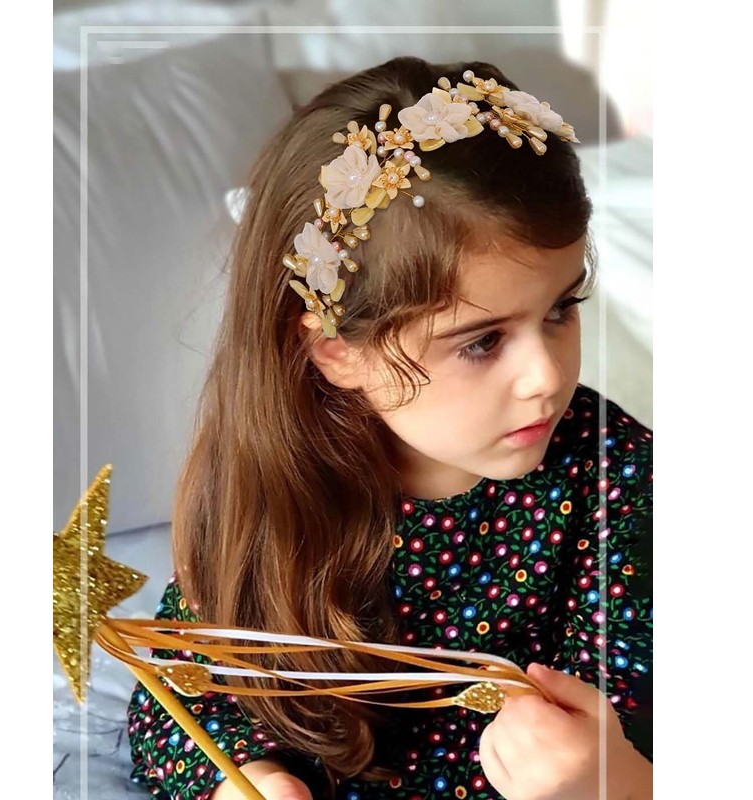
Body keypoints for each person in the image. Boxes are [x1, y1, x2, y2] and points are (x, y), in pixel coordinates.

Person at [126, 56, 653, 800]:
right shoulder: (271, 486)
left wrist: (619, 783)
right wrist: (248, 781)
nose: (546, 375)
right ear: (338, 351)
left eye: (561, 309)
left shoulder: (617, 475)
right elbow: (181, 694)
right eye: (483, 341)